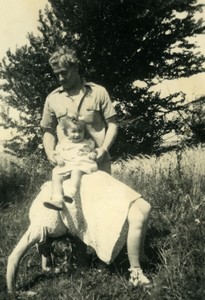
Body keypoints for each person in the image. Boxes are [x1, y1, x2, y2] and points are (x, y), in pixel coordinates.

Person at [40, 46, 151, 286]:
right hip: (69, 166)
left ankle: (104, 261)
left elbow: (112, 124)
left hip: (97, 166)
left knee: (105, 211)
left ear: (76, 68)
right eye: (56, 74)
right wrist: (50, 152)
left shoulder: (98, 92)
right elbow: (48, 131)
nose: (60, 78)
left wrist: (104, 149)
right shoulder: (53, 98)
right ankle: (82, 260)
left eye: (64, 73)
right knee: (78, 211)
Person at [44, 115, 98, 211]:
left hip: (81, 164)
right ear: (66, 132)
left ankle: (71, 193)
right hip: (67, 164)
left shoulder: (87, 142)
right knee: (56, 176)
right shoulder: (63, 143)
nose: (77, 134)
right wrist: (58, 158)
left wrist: (93, 154)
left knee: (76, 170)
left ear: (84, 131)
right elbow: (56, 153)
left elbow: (93, 151)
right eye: (73, 131)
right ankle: (57, 199)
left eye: (80, 131)